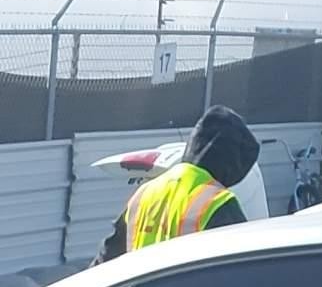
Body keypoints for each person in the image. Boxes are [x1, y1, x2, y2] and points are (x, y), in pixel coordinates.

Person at [97, 106, 260, 261]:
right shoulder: (216, 203)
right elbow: (242, 272)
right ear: (230, 164)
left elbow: (105, 261)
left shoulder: (144, 193)